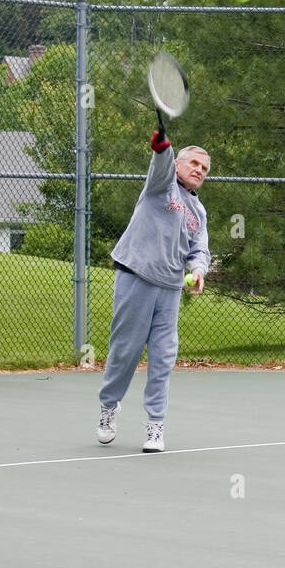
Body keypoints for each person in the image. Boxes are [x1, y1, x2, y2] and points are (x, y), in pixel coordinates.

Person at [95, 124, 211, 453]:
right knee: (126, 352)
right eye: (194, 164)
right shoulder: (161, 185)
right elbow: (160, 162)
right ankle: (109, 406)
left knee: (163, 359)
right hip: (136, 276)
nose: (199, 171)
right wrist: (161, 148)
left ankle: (155, 427)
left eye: (204, 169)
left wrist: (199, 271)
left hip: (170, 289)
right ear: (178, 165)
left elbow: (199, 250)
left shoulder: (199, 213)